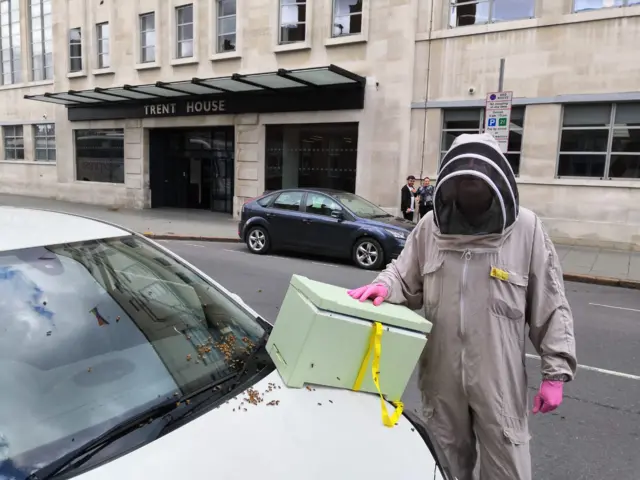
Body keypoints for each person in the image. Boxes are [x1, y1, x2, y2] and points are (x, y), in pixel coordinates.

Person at [347, 133, 577, 480]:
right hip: (441, 374)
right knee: (445, 462)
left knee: (507, 466)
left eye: (478, 177)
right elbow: (404, 274)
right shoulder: (430, 227)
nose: (470, 186)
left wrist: (555, 372)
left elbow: (551, 301)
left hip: (498, 376)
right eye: (463, 178)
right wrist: (383, 285)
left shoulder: (526, 228)